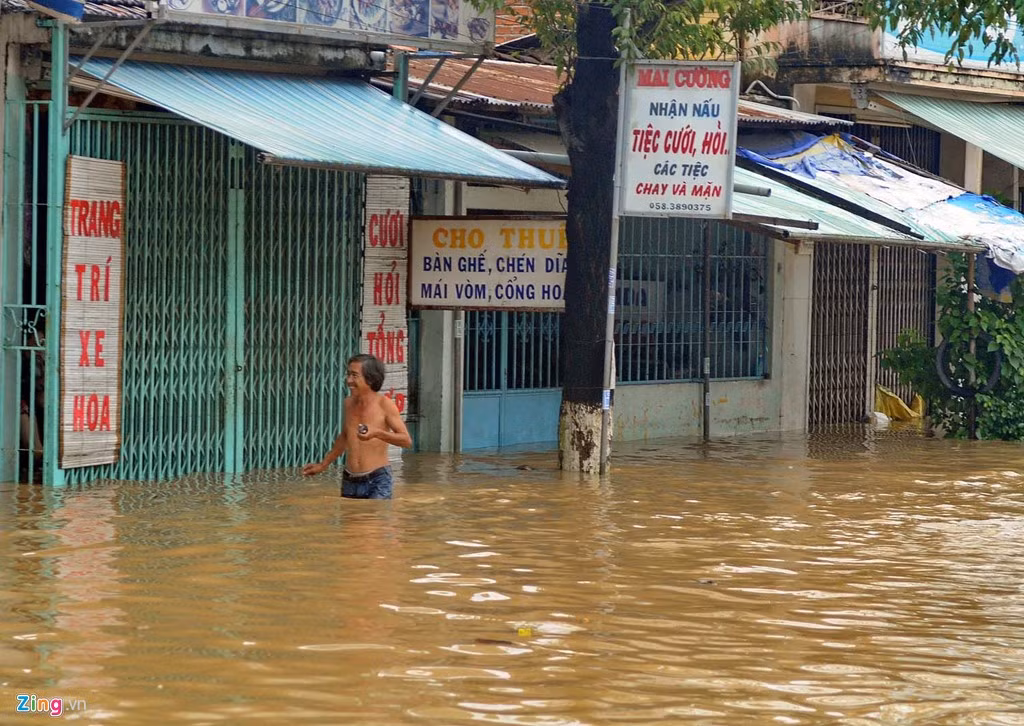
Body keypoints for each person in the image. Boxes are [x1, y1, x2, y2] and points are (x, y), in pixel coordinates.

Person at [302, 353, 412, 499]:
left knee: (373, 521)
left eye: (354, 376)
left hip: (377, 480)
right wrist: (323, 464)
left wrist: (377, 433)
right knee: (350, 520)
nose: (348, 381)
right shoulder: (348, 403)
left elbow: (406, 441)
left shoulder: (385, 404)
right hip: (350, 479)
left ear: (370, 379)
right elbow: (345, 437)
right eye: (348, 375)